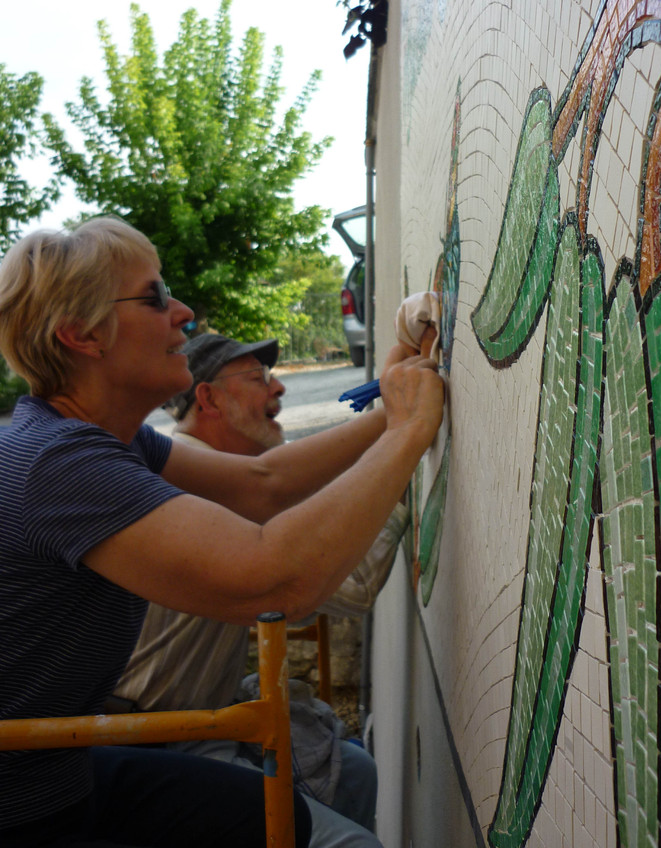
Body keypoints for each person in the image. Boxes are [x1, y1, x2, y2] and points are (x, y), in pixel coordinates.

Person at [0, 217, 443, 848]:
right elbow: (277, 578)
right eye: (154, 297)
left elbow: (264, 479)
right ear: (81, 335)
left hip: (60, 769)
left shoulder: (104, 438)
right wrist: (406, 435)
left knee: (274, 812)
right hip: (22, 804)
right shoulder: (61, 463)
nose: (181, 311)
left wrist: (387, 411)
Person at [114, 332, 411, 843]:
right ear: (207, 399)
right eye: (257, 379)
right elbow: (350, 584)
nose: (278, 391)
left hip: (197, 721)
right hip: (156, 739)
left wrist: (392, 416)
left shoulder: (206, 469)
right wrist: (404, 446)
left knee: (354, 772)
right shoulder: (194, 486)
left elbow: (276, 479)